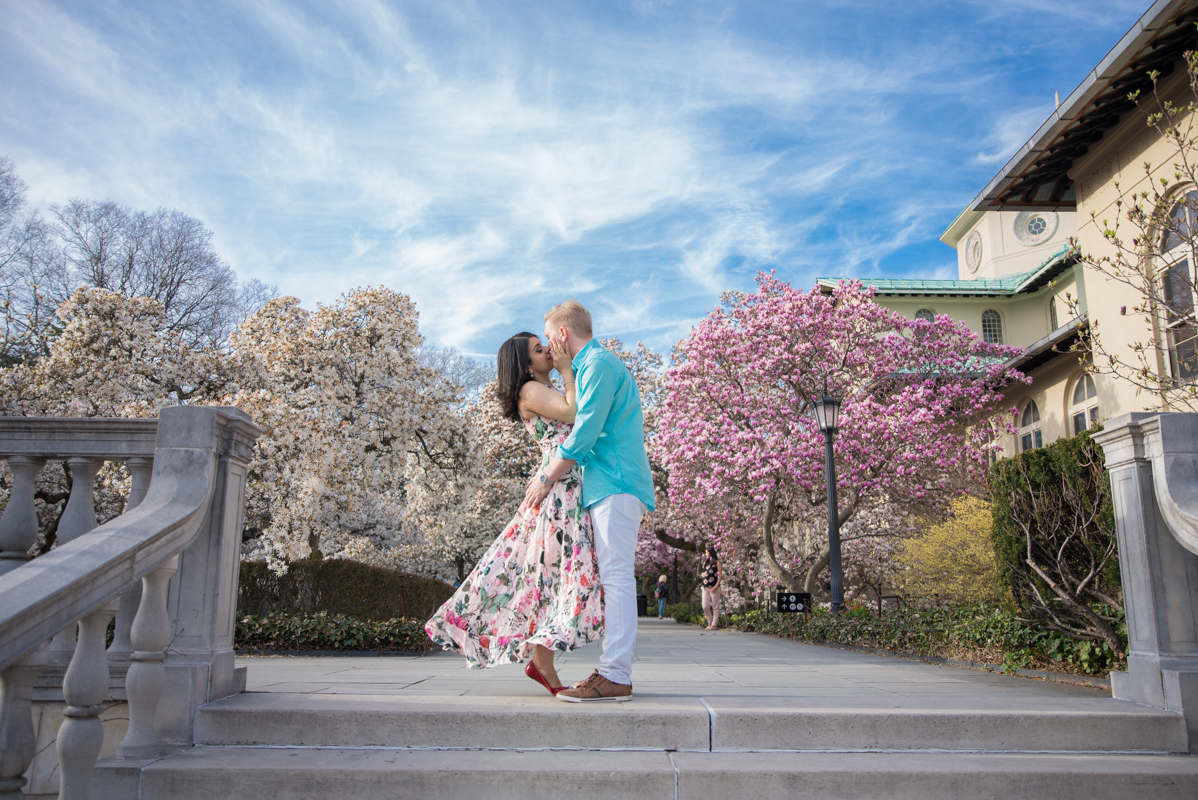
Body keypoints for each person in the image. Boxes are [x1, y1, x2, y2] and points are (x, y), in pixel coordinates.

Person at [424, 331, 604, 696]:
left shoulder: (542, 388)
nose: (548, 350)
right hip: (560, 492)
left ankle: (542, 661)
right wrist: (567, 371)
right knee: (556, 574)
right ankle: (541, 662)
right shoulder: (530, 390)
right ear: (525, 365)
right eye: (539, 349)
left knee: (551, 577)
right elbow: (573, 413)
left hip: (565, 486)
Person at [523, 300, 655, 703]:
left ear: (562, 334)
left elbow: (584, 432)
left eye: (549, 338)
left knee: (617, 579)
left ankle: (615, 675)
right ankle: (612, 672)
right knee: (614, 579)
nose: (549, 346)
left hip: (616, 483)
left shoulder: (597, 365)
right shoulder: (588, 368)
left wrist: (545, 477)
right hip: (608, 485)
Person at [701, 545, 723, 630]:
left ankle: (714, 624)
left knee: (715, 606)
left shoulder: (717, 562)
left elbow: (720, 575)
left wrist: (716, 586)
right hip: (705, 587)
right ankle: (709, 622)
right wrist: (702, 574)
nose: (705, 554)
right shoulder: (706, 563)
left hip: (714, 587)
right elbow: (703, 573)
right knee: (705, 606)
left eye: (706, 553)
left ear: (710, 553)